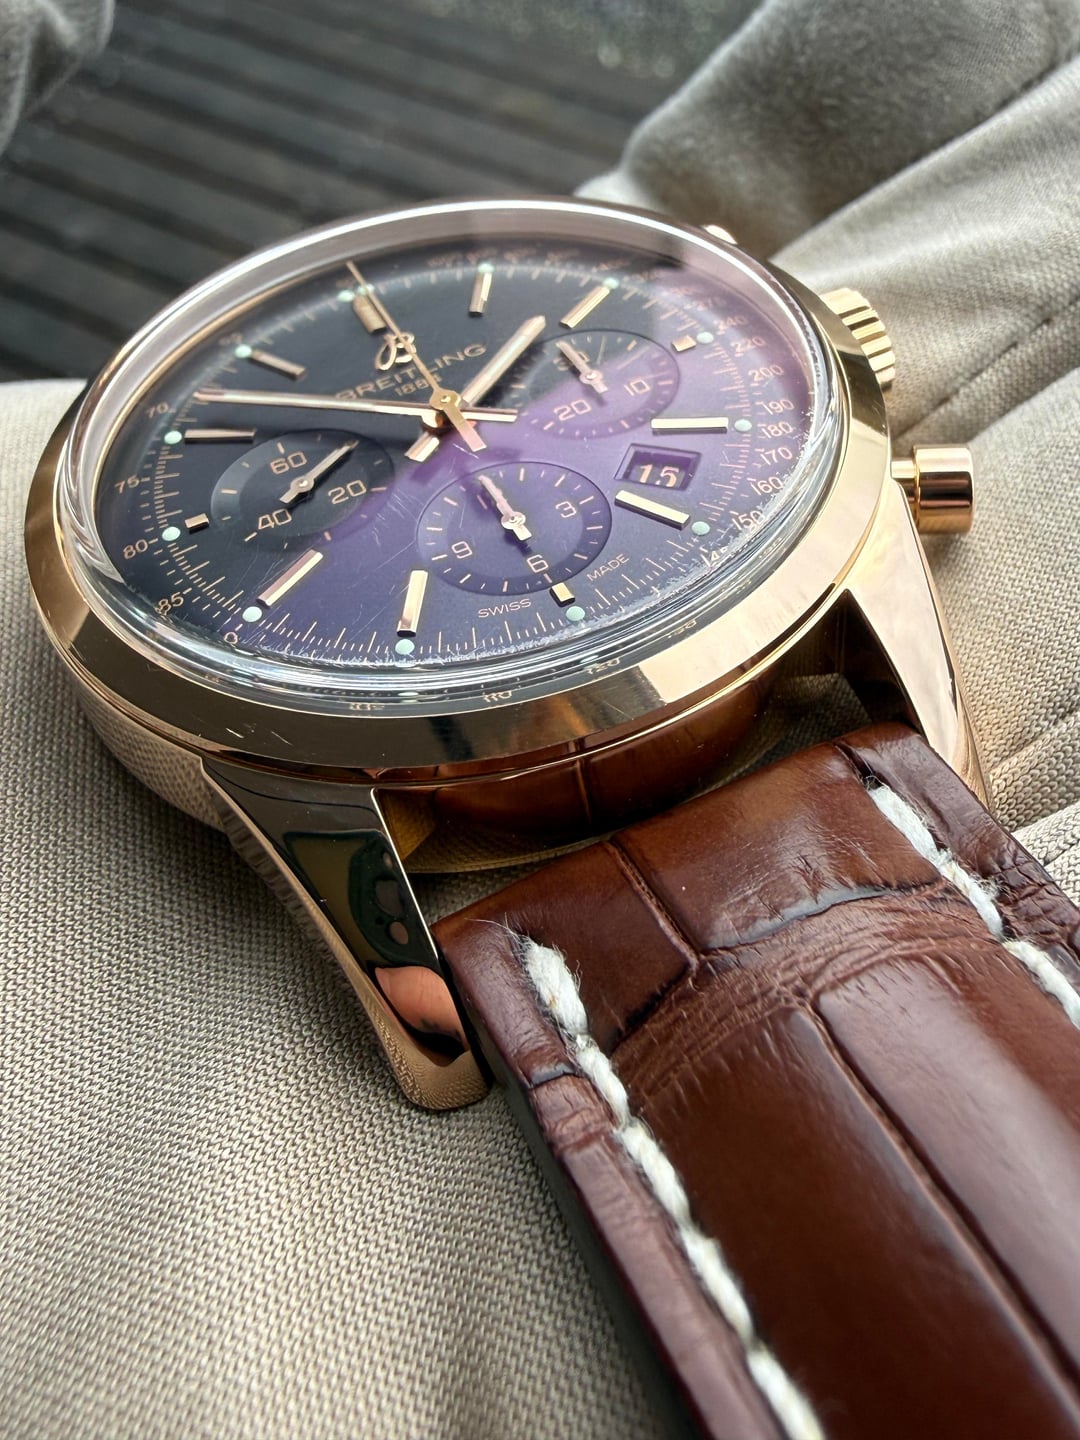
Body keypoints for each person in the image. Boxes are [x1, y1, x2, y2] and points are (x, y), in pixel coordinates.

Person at [2, 1, 1078, 1435]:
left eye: (477, 408)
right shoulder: (140, 540)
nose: (448, 428)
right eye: (424, 433)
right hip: (409, 762)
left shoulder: (769, 397)